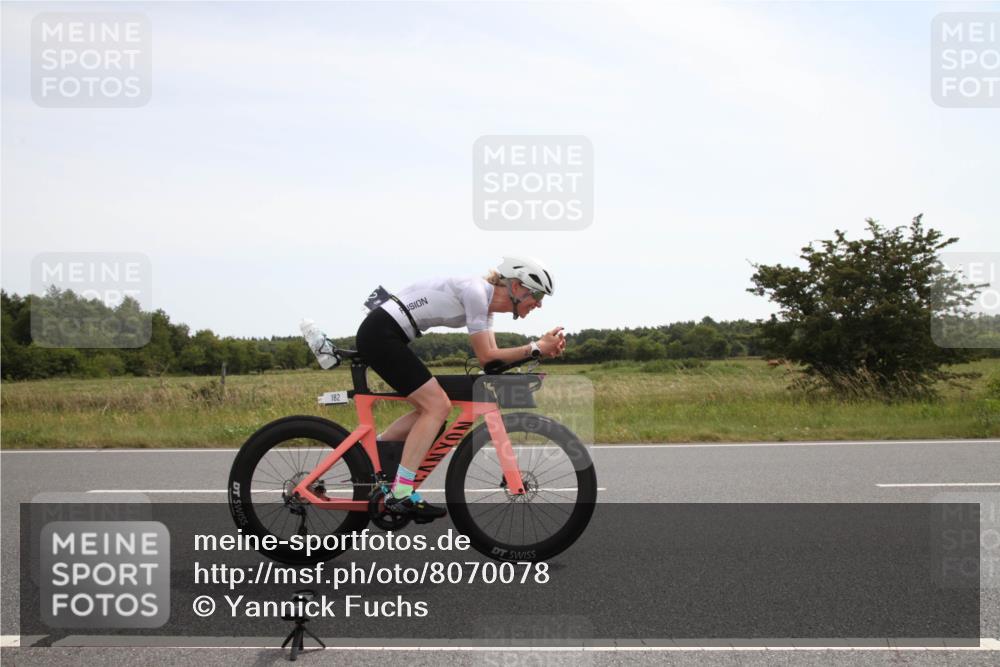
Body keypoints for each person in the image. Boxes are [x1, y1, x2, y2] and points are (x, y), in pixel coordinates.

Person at [354, 256, 566, 522]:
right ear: (514, 286)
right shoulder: (476, 292)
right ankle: (401, 493)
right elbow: (487, 357)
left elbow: (492, 362)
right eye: (536, 294)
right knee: (437, 406)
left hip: (388, 333)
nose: (539, 303)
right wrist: (535, 347)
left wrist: (539, 352)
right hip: (381, 334)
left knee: (430, 411)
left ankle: (373, 458)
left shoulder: (485, 306)